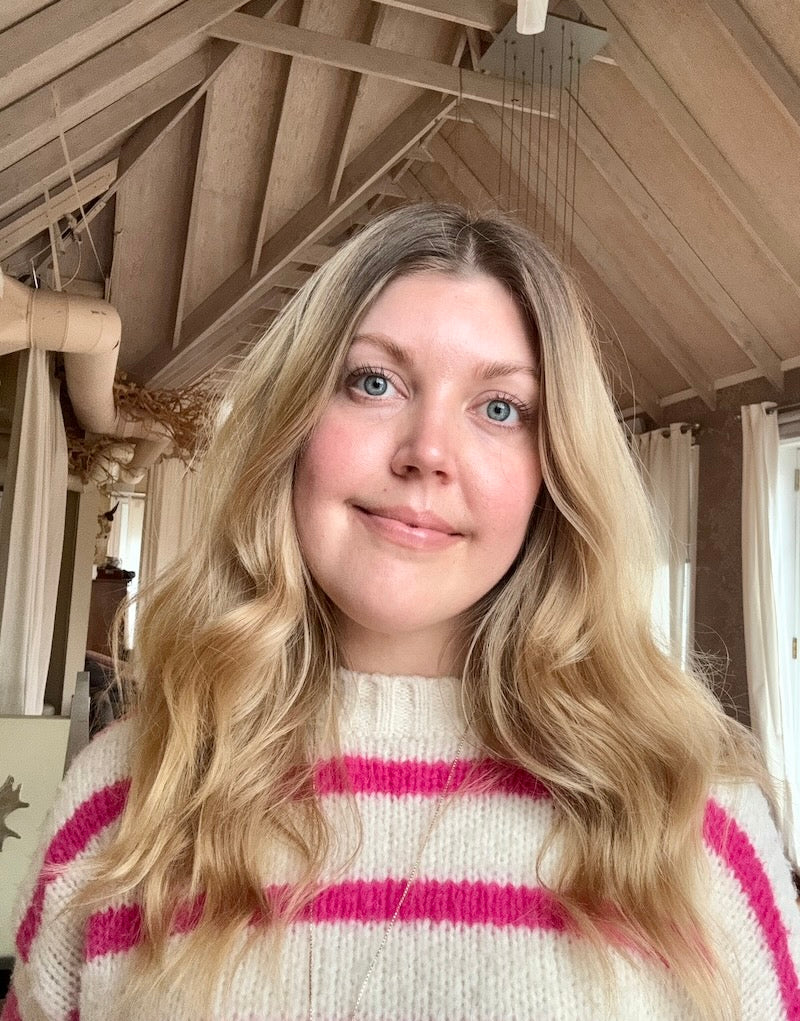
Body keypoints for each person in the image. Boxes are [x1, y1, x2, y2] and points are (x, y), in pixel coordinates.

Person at [3, 203, 799, 1021]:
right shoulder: (130, 793)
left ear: (553, 475)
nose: (428, 451)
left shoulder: (692, 814)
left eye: (500, 408)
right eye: (373, 381)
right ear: (293, 429)